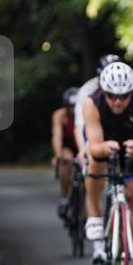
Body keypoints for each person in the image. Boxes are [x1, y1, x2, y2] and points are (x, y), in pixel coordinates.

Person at [82, 61, 133, 265]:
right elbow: (93, 146)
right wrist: (104, 148)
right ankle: (94, 215)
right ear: (103, 92)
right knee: (93, 160)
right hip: (104, 145)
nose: (117, 101)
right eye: (112, 96)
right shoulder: (91, 103)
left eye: (123, 97)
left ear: (131, 93)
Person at [51, 87, 79, 219]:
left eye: (75, 106)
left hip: (82, 146)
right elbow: (57, 136)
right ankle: (64, 198)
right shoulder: (60, 115)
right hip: (68, 146)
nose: (73, 109)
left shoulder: (86, 113)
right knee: (66, 161)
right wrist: (58, 155)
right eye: (70, 106)